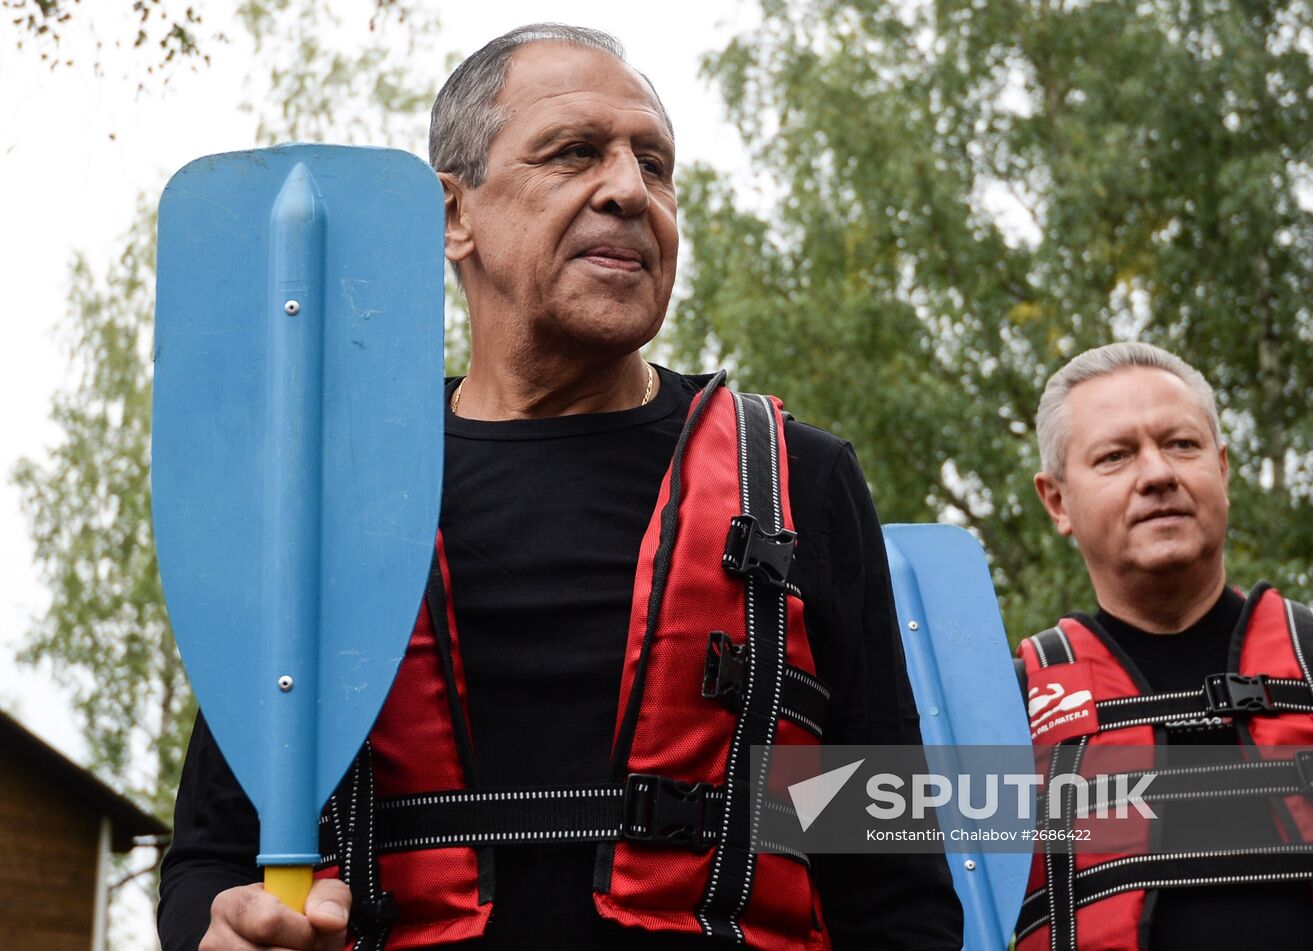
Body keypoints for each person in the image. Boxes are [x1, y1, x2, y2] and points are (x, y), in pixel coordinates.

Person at [156, 23, 963, 951]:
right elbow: (211, 858)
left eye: (655, 166)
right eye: (574, 152)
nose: (630, 190)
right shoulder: (325, 494)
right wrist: (218, 936)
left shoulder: (800, 481)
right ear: (452, 217)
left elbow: (890, 882)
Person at [1014, 341, 1313, 951]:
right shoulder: (1002, 716)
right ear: (1057, 501)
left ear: (1221, 469)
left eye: (1181, 445)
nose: (1158, 474)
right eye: (1115, 456)